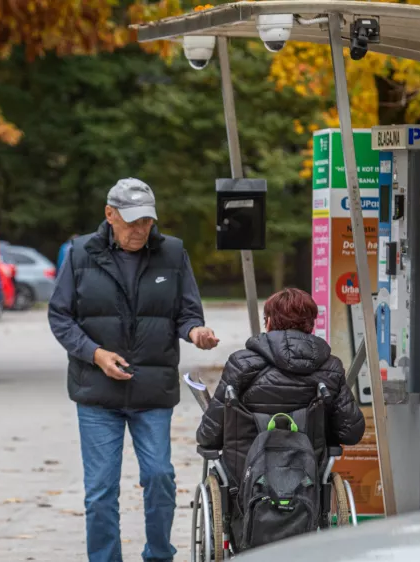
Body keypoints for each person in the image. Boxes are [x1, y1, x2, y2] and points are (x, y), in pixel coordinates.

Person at [48, 178, 220, 562]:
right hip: (96, 392)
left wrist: (196, 332)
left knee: (160, 477)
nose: (140, 230)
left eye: (147, 221)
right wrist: (94, 354)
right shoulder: (79, 254)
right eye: (131, 221)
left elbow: (187, 311)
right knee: (100, 490)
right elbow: (60, 317)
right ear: (110, 215)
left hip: (151, 390)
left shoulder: (172, 253)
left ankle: (159, 555)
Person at [195, 287, 366, 504]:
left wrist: (206, 439)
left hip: (245, 483)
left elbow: (210, 433)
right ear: (311, 325)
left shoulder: (241, 364)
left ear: (268, 322)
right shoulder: (330, 368)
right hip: (307, 481)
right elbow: (351, 432)